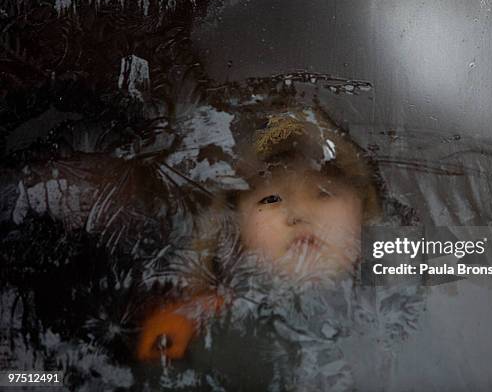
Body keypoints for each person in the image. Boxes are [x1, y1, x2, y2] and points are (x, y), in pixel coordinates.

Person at [136, 103, 383, 362]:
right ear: (234, 227)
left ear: (362, 211)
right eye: (271, 199)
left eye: (324, 193)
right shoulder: (189, 332)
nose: (299, 213)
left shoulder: (411, 298)